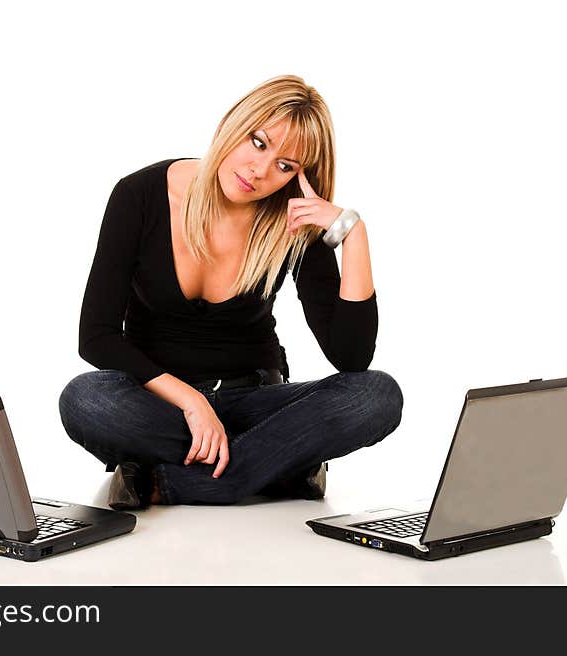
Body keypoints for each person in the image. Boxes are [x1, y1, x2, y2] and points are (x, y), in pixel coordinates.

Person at [59, 75, 404, 509]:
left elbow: (351, 360)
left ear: (299, 177)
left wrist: (352, 232)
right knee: (85, 399)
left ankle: (172, 481)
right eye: (258, 142)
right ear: (234, 123)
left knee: (378, 395)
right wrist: (191, 402)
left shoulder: (294, 221)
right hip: (158, 403)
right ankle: (279, 463)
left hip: (255, 400)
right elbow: (97, 337)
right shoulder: (141, 194)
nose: (259, 171)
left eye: (285, 166)